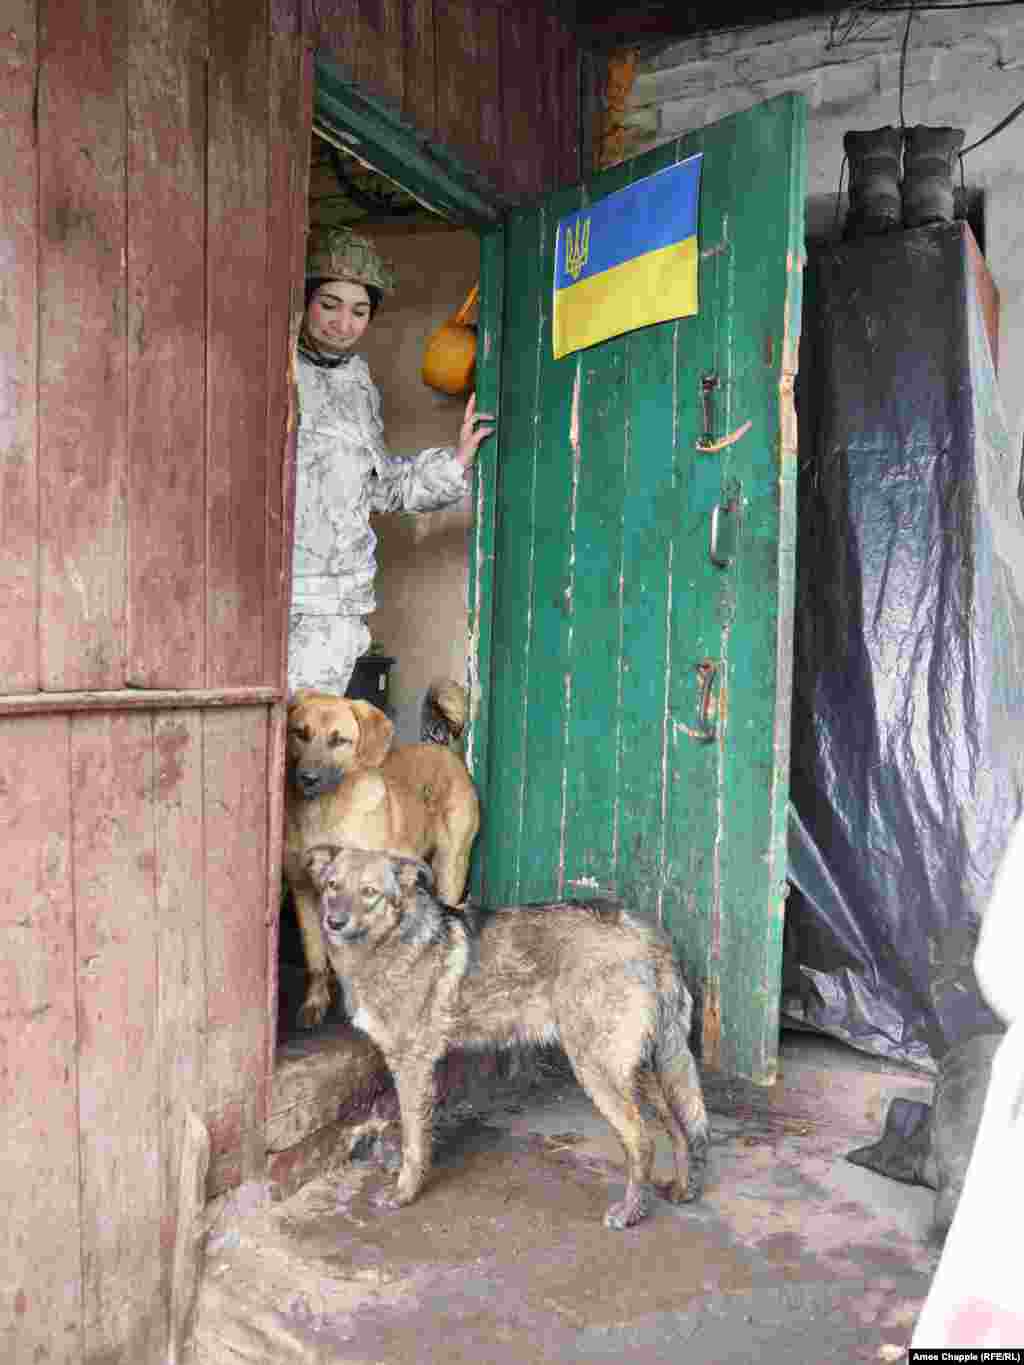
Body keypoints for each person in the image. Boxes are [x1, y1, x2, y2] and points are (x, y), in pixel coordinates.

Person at [289, 226, 494, 695]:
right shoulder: (267, 365)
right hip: (265, 597)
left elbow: (377, 487)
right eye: (329, 305)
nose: (343, 323)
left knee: (313, 750)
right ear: (302, 300)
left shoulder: (357, 381)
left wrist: (454, 462)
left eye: (360, 311)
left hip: (336, 607)